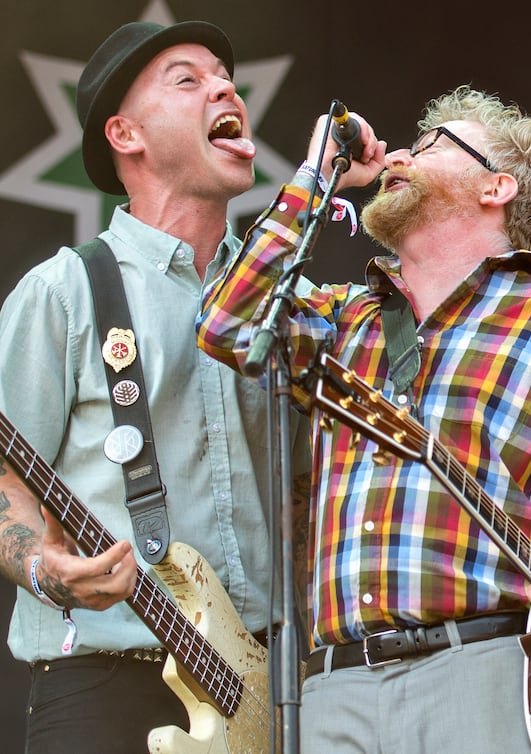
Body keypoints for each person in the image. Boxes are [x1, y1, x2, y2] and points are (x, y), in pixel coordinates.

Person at [197, 85, 531, 753]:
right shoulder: (341, 316)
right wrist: (316, 177)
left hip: (484, 667)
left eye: (436, 145)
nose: (403, 153)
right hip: (333, 686)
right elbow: (227, 324)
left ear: (496, 187)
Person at [0, 20, 312, 754]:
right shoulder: (64, 292)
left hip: (271, 695)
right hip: (106, 684)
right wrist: (47, 569)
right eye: (188, 78)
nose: (225, 86)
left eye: (225, 76)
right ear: (126, 135)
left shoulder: (283, 306)